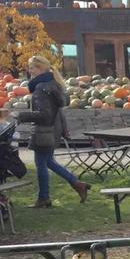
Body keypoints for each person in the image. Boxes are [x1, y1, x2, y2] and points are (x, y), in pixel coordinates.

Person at [16, 55, 89, 207]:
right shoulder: (53, 84)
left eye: (32, 68)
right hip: (53, 129)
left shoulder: (41, 88)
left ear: (40, 69)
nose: (30, 72)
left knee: (41, 163)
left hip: (44, 131)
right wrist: (64, 128)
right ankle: (76, 184)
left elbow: (45, 114)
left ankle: (44, 198)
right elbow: (59, 110)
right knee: (48, 161)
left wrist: (21, 116)